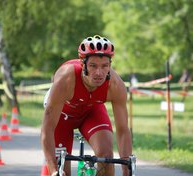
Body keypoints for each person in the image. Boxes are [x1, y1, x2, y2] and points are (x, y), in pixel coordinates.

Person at [41, 35, 132, 176]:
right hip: (62, 115)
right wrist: (53, 169)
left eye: (104, 66)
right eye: (93, 66)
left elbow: (123, 130)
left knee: (106, 156)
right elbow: (47, 128)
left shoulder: (115, 85)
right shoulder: (66, 79)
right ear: (83, 65)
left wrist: (127, 171)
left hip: (91, 111)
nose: (99, 73)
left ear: (110, 65)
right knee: (61, 170)